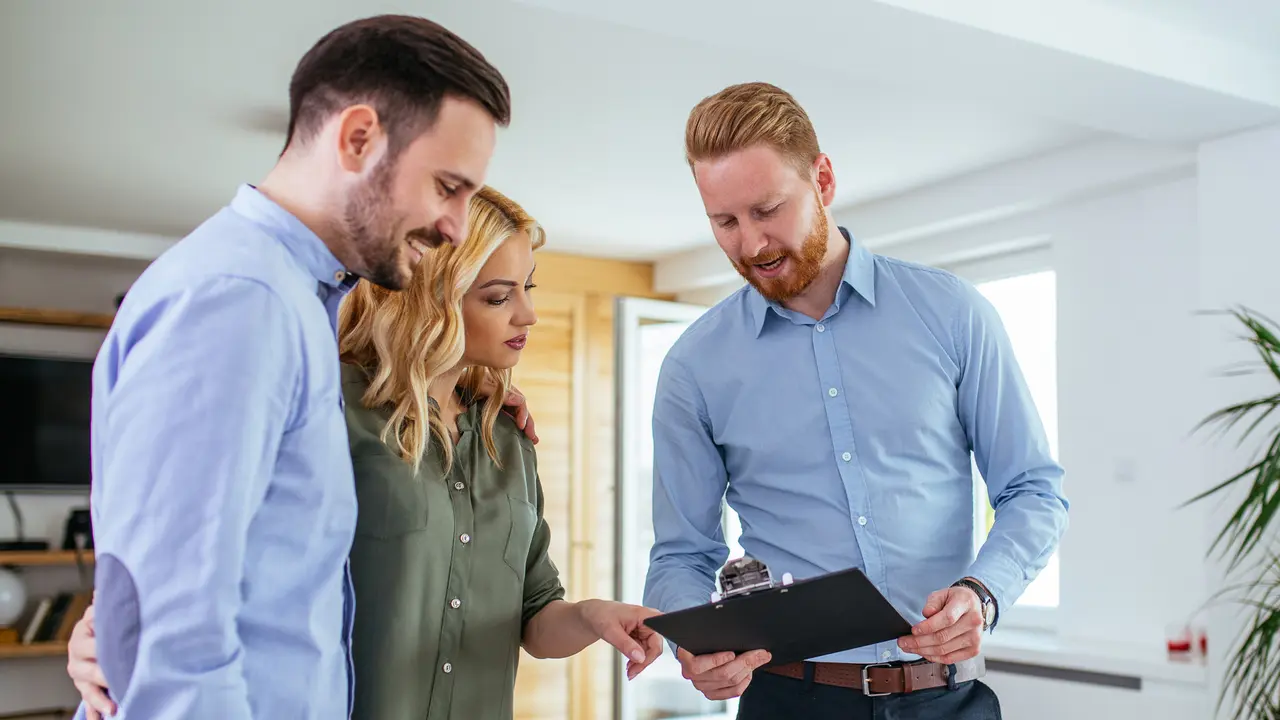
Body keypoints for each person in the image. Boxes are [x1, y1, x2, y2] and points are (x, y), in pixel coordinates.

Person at [66, 187, 665, 720]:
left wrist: (590, 617)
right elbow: (208, 559)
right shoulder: (326, 407)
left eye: (526, 290)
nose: (528, 315)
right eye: (498, 297)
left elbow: (534, 615)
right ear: (432, 299)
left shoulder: (508, 438)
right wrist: (109, 637)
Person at [76, 14, 517, 720]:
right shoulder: (239, 302)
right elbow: (169, 627)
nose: (456, 227)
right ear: (358, 138)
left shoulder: (298, 303)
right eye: (447, 186)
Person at [642, 82, 1069, 719]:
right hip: (788, 700)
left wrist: (982, 592)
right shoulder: (694, 367)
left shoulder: (952, 315)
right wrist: (697, 645)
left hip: (947, 699)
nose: (752, 243)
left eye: (768, 209)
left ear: (823, 178)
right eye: (725, 222)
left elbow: (1033, 489)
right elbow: (683, 553)